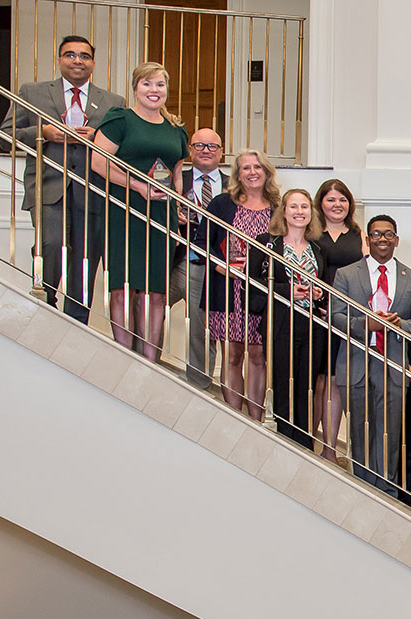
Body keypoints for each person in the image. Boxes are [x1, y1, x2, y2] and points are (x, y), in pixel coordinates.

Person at [1, 35, 125, 325]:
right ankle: (43, 308)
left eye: (84, 56)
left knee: (86, 259)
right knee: (51, 244)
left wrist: (98, 138)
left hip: (94, 191)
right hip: (47, 188)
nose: (77, 60)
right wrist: (41, 133)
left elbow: (123, 145)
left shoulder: (113, 102)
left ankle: (76, 323)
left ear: (93, 63)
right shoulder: (32, 92)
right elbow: (4, 135)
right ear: (59, 60)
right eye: (70, 55)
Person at [88, 61, 187, 362]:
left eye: (160, 84)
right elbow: (99, 162)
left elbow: (177, 174)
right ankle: (124, 357)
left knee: (155, 290)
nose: (154, 90)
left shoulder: (176, 128)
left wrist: (177, 203)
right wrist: (138, 186)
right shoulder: (121, 119)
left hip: (161, 216)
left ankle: (150, 360)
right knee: (123, 286)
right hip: (124, 212)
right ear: (135, 88)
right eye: (147, 84)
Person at [331, 214, 411, 495]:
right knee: (361, 432)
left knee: (389, 435)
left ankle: (386, 493)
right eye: (376, 234)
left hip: (393, 367)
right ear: (367, 239)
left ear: (396, 240)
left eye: (388, 234)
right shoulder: (347, 275)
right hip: (356, 364)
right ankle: (362, 490)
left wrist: (400, 325)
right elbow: (336, 316)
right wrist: (367, 325)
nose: (382, 239)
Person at [199, 149, 281, 420]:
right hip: (226, 289)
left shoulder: (278, 208)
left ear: (267, 172)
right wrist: (219, 265)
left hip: (260, 294)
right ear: (237, 174)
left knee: (258, 356)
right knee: (232, 355)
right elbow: (202, 242)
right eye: (245, 168)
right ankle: (236, 420)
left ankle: (256, 421)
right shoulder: (222, 203)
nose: (252, 172)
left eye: (258, 167)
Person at [248, 188, 332, 452]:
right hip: (281, 321)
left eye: (304, 207)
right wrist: (287, 291)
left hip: (311, 324)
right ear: (283, 211)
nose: (299, 212)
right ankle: (285, 441)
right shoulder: (267, 243)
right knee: (284, 381)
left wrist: (318, 294)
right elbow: (251, 284)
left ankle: (304, 442)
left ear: (311, 213)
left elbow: (322, 289)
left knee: (307, 385)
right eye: (293, 207)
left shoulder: (317, 248)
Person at [308, 178, 366, 461]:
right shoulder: (311, 233)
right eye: (331, 199)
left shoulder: (359, 236)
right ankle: (311, 441)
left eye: (342, 199)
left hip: (348, 318)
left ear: (349, 204)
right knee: (317, 381)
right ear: (321, 203)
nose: (337, 204)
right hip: (316, 315)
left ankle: (330, 448)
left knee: (336, 381)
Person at [172, 128, 225, 388]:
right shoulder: (175, 179)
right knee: (148, 306)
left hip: (212, 266)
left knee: (201, 330)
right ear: (190, 150)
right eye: (199, 145)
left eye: (212, 146)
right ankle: (145, 363)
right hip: (176, 259)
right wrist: (174, 215)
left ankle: (199, 386)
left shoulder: (234, 186)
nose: (206, 150)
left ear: (221, 152)